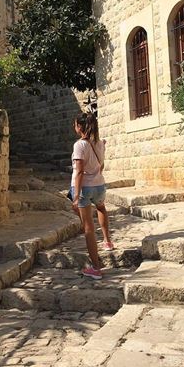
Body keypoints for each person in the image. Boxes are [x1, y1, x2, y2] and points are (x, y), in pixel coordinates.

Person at [70, 112, 114, 280]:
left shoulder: (79, 145)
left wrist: (76, 196)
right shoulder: (100, 143)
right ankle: (107, 241)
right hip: (99, 185)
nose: (74, 127)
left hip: (84, 188)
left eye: (75, 124)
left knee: (88, 227)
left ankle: (96, 267)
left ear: (80, 127)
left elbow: (79, 171)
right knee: (101, 207)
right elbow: (101, 165)